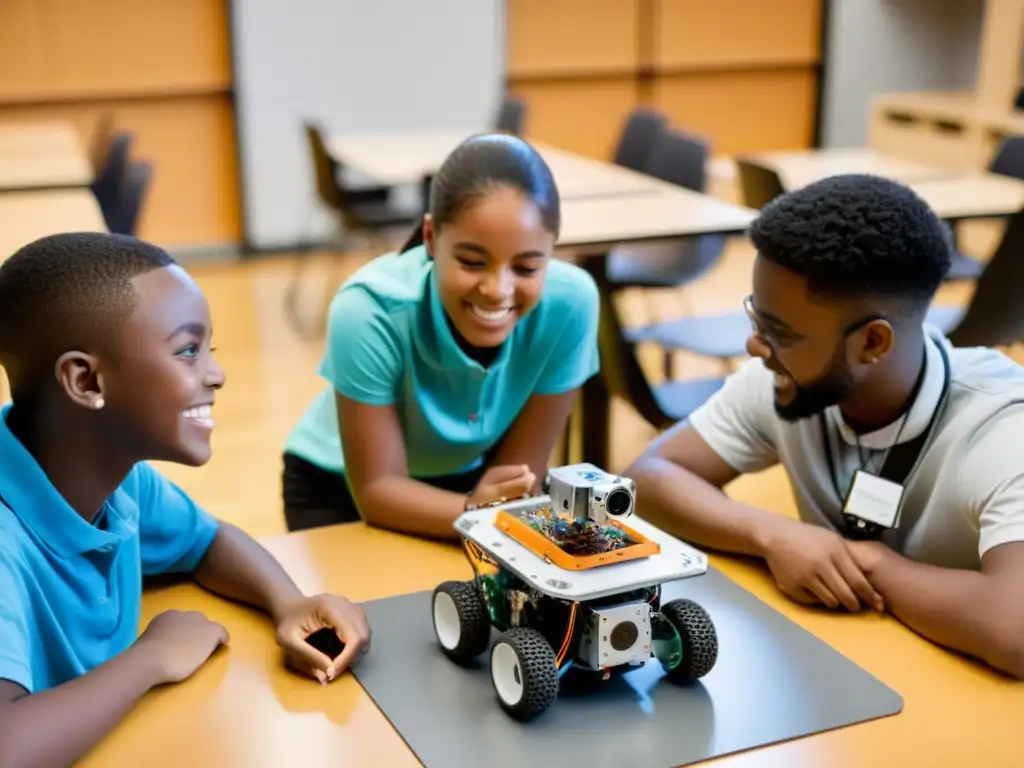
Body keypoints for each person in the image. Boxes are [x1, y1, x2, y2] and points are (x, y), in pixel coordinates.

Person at [626, 174, 1024, 680]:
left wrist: (871, 564)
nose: (754, 346)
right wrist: (772, 534)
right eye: (756, 318)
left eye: (779, 333)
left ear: (872, 344)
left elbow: (1015, 632)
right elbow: (649, 477)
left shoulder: (1004, 429)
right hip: (847, 668)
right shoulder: (783, 378)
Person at [0, 232, 372, 766]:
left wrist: (289, 603)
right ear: (85, 380)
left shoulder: (122, 480)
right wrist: (150, 658)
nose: (216, 374)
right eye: (188, 351)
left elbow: (206, 540)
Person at [281, 133, 601, 538]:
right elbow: (377, 491)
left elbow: (519, 477)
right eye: (471, 261)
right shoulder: (367, 309)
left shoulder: (572, 304)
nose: (497, 289)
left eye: (526, 268)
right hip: (338, 485)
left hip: (473, 482)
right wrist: (475, 511)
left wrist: (489, 508)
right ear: (431, 238)